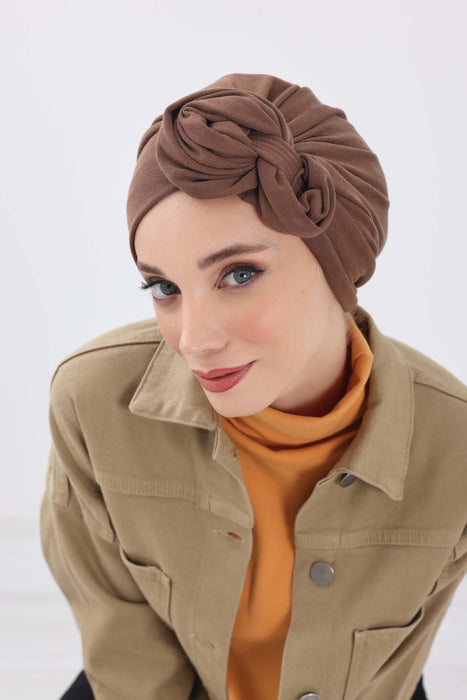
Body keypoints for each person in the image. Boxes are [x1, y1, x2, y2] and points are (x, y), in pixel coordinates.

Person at [41, 73, 467, 700]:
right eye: (163, 287)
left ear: (338, 261)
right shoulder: (93, 403)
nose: (193, 340)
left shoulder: (453, 446)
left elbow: (393, 672)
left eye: (239, 274)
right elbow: (123, 647)